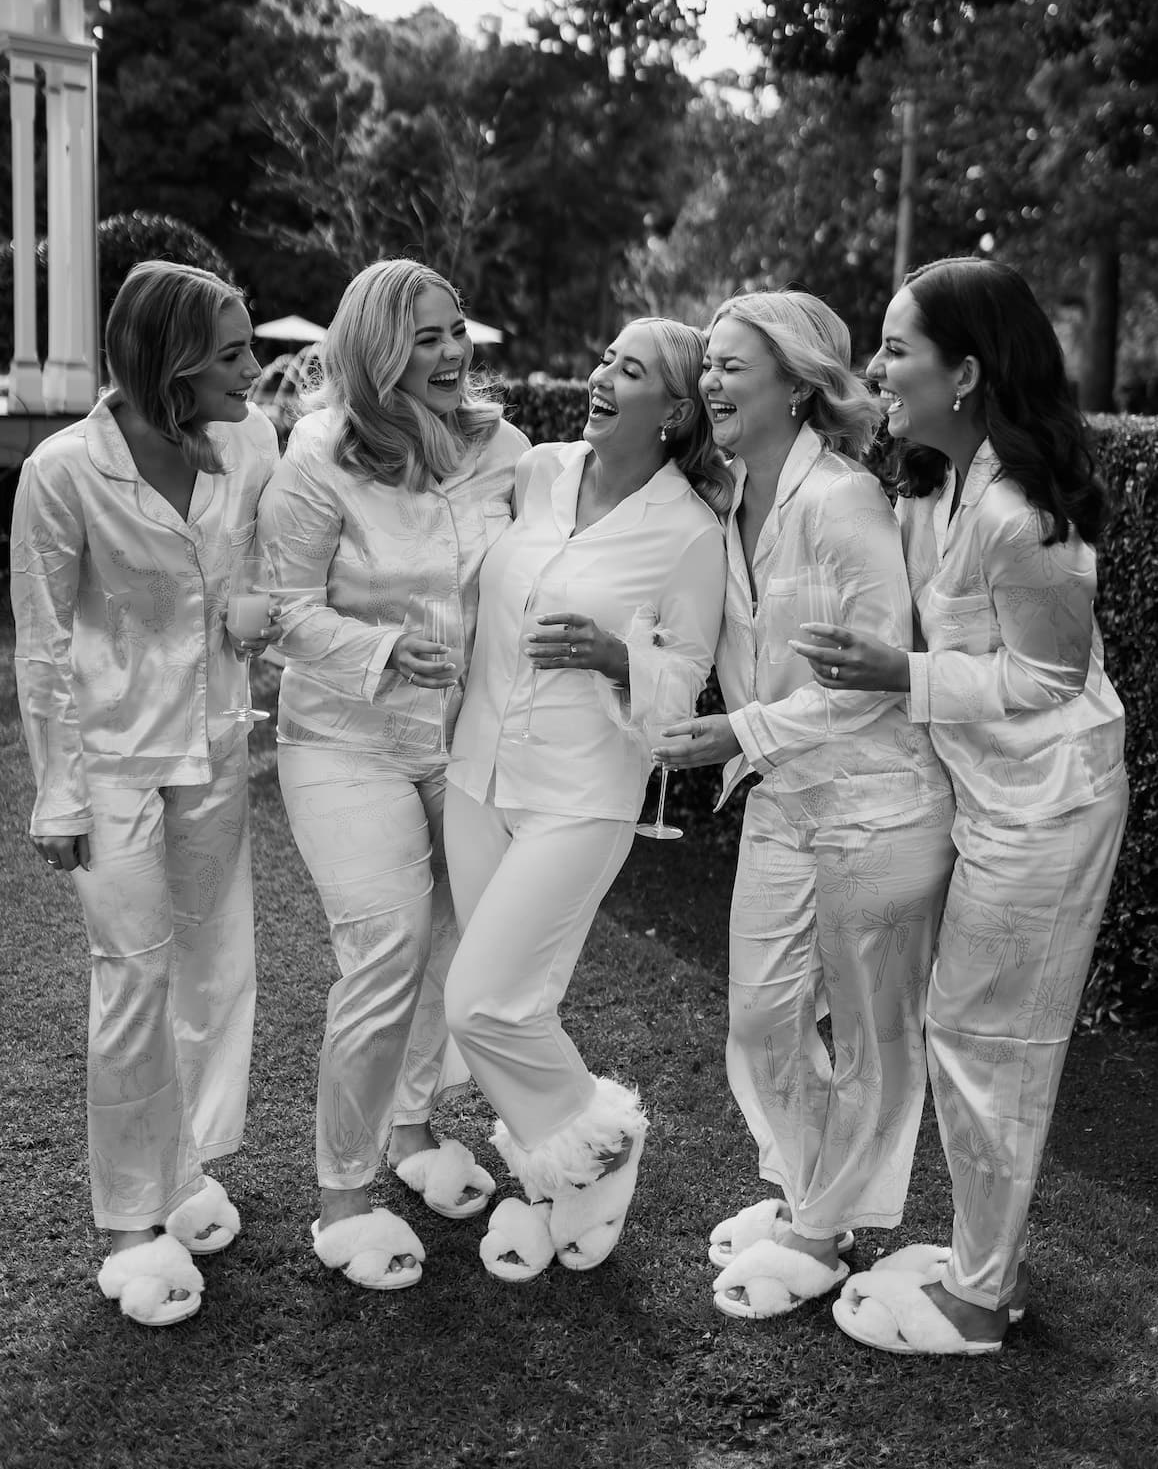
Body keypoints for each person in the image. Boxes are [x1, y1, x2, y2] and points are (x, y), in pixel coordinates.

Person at [788, 257, 1128, 1356]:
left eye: (895, 349)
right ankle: (990, 1261)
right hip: (989, 794)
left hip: (1048, 806)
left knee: (992, 1042)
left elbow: (1049, 682)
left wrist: (903, 674)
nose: (875, 368)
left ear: (968, 371)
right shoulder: (942, 477)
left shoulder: (1026, 515)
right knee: (970, 1033)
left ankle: (980, 1300)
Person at [656, 289, 956, 1323]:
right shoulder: (729, 492)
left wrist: (737, 732)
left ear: (796, 381)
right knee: (762, 1014)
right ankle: (800, 1187)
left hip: (880, 804)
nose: (711, 383)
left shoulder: (843, 502)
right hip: (788, 799)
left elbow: (877, 673)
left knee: (874, 1037)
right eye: (708, 367)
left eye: (733, 367)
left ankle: (821, 1230)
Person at [10, 260, 279, 1326]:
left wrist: (254, 611)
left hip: (214, 747)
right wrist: (57, 795)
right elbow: (41, 645)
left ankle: (184, 1169)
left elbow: (257, 569)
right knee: (133, 978)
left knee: (216, 969)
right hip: (111, 760)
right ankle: (130, 1220)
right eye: (232, 355)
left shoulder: (248, 445)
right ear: (170, 361)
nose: (253, 371)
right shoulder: (63, 470)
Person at [256, 258, 529, 1292]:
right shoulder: (319, 454)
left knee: (454, 952)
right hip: (341, 743)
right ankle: (343, 1196)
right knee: (387, 947)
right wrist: (375, 650)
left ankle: (413, 1131)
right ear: (377, 350)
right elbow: (278, 607)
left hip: (463, 744)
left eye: (458, 330)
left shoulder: (502, 447)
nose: (453, 352)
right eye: (426, 338)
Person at [441, 318, 729, 1281]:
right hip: (478, 772)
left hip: (580, 792)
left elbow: (688, 680)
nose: (602, 374)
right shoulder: (540, 469)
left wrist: (616, 655)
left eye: (631, 369)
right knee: (519, 1000)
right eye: (606, 356)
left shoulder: (690, 530)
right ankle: (547, 1187)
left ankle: (606, 1145)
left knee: (480, 1002)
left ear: (676, 411)